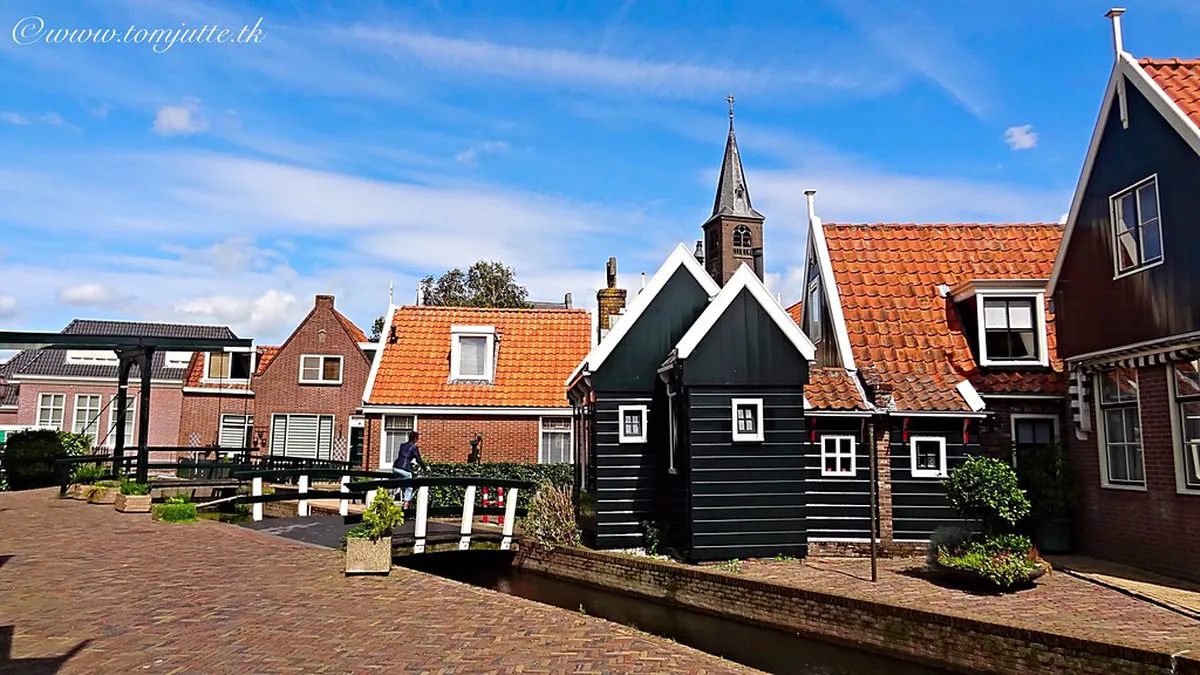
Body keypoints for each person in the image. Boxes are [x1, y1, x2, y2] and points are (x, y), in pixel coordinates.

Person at [392, 431, 427, 506]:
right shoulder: (414, 447)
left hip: (395, 467)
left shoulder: (402, 445)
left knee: (401, 478)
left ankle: (397, 488)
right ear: (415, 439)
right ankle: (406, 502)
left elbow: (403, 457)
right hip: (404, 469)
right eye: (417, 439)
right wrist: (424, 468)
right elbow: (418, 460)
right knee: (409, 484)